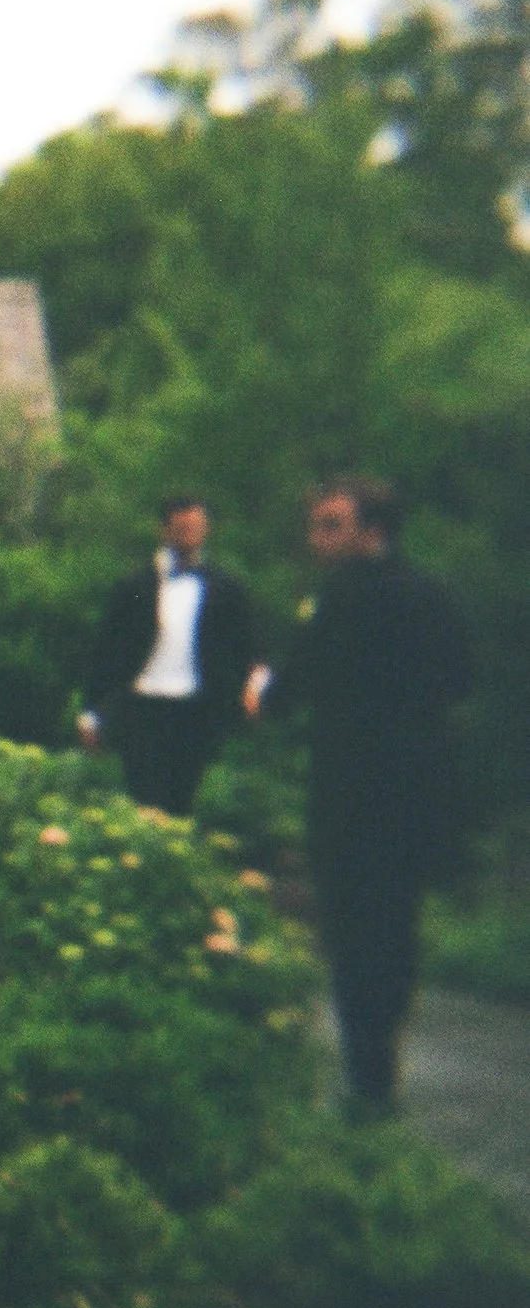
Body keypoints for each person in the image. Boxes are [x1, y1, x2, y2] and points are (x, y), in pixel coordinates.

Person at [249, 476, 473, 1115]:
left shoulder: (338, 601)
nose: (316, 537)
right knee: (398, 921)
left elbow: (293, 688)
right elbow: (461, 678)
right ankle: (384, 1050)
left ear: (370, 530)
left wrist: (263, 694)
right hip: (419, 788)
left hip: (351, 786)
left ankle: (367, 1071)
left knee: (350, 925)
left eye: (331, 524)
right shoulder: (435, 596)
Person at [78, 495, 255, 816]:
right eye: (181, 528)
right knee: (144, 799)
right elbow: (106, 651)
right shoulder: (135, 585)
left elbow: (244, 648)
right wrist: (92, 711)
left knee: (182, 801)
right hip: (143, 706)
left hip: (195, 709)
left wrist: (241, 696)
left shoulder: (224, 588)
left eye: (196, 528)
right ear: (164, 530)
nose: (189, 535)